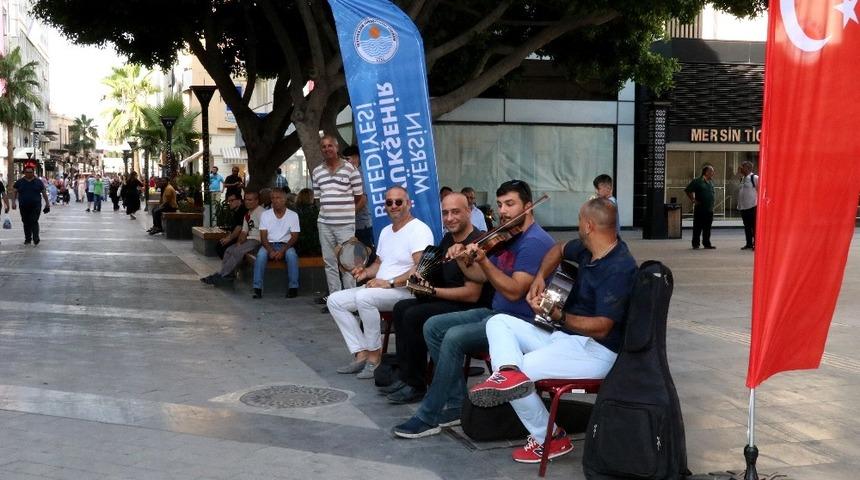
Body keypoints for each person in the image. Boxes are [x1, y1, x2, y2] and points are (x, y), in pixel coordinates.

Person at [468, 197, 637, 463]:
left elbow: (603, 328)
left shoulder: (619, 268)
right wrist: (539, 278)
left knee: (521, 374)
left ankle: (549, 438)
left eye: (579, 220)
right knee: (498, 322)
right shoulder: (589, 247)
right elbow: (558, 249)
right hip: (567, 338)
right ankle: (507, 371)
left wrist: (559, 315)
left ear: (589, 226)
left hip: (597, 351)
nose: (578, 225)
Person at [393, 180, 554, 439]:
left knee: (453, 337)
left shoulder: (533, 242)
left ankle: (429, 415)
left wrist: (484, 262)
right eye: (500, 204)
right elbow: (478, 276)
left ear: (528, 206)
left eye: (510, 204)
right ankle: (457, 403)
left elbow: (514, 291)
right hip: (496, 315)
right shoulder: (508, 236)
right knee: (432, 326)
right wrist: (463, 259)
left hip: (519, 322)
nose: (503, 211)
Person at [381, 193, 492, 404]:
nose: (449, 218)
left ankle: (416, 384)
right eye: (445, 213)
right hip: (446, 299)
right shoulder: (447, 239)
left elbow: (472, 295)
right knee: (401, 308)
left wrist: (432, 291)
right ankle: (407, 375)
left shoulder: (476, 243)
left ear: (469, 212)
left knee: (414, 315)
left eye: (455, 212)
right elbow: (433, 271)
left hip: (470, 307)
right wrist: (421, 277)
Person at [327, 186, 433, 379]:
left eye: (398, 201)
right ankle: (361, 353)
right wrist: (365, 272)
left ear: (409, 204)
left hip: (406, 291)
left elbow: (420, 269)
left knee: (364, 297)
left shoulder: (419, 229)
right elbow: (378, 263)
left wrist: (390, 282)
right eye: (389, 202)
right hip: (380, 289)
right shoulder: (385, 231)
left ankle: (374, 357)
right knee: (334, 300)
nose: (394, 206)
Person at [313, 135, 365, 308]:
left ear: (336, 148)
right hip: (324, 224)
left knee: (348, 263)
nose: (327, 149)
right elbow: (318, 198)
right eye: (324, 146)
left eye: (330, 146)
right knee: (329, 263)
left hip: (345, 225)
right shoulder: (317, 172)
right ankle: (335, 302)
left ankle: (350, 303)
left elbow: (359, 197)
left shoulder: (350, 169)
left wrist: (346, 212)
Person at [202, 191, 265, 286]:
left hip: (258, 241)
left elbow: (265, 232)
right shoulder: (247, 214)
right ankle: (227, 276)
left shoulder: (261, 213)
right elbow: (244, 231)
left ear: (257, 201)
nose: (247, 202)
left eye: (250, 200)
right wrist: (239, 242)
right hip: (249, 240)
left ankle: (221, 275)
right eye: (246, 200)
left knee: (237, 251)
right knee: (229, 250)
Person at [252, 188, 301, 298]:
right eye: (273, 198)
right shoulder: (265, 215)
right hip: (268, 244)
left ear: (284, 199)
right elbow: (263, 236)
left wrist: (282, 251)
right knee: (260, 255)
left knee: (292, 255)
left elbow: (294, 237)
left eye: (278, 198)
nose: (275, 200)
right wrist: (271, 251)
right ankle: (257, 289)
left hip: (286, 245)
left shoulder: (293, 215)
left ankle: (293, 288)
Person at [10, 162, 50, 245]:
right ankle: (28, 238)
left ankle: (36, 238)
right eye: (27, 172)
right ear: (24, 172)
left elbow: (44, 193)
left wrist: (47, 203)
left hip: (36, 205)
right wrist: (13, 202)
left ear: (33, 172)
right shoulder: (19, 182)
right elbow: (14, 192)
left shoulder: (38, 182)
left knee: (34, 220)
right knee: (26, 222)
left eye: (30, 172)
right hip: (23, 206)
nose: (29, 174)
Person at [343, 145, 374, 248]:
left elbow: (363, 199)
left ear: (356, 158)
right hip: (357, 223)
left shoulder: (360, 174)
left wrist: (349, 216)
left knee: (364, 254)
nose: (345, 162)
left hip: (361, 224)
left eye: (347, 159)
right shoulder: (352, 173)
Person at [685, 165, 716, 249]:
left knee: (707, 228)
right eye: (711, 171)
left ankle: (707, 243)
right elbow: (688, 190)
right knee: (697, 227)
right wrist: (693, 200)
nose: (713, 173)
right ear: (706, 172)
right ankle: (695, 244)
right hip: (700, 208)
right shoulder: (697, 181)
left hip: (709, 209)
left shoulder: (711, 182)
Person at [217, 192, 248, 258]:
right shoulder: (236, 211)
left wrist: (228, 239)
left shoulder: (242, 210)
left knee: (221, 247)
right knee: (220, 245)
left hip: (243, 238)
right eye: (229, 201)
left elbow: (239, 228)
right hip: (237, 236)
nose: (230, 203)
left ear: (239, 200)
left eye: (232, 200)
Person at [737, 161, 758, 250]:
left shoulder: (755, 178)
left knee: (754, 227)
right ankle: (748, 243)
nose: (741, 168)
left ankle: (756, 244)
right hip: (743, 207)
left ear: (748, 168)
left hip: (753, 206)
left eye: (743, 167)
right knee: (747, 227)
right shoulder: (742, 178)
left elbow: (760, 190)